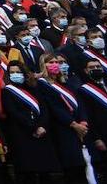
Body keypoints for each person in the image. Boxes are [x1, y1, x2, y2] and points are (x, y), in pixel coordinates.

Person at [0, 61, 60, 184]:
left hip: (41, 133)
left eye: (18, 72)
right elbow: (14, 112)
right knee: (27, 174)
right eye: (12, 72)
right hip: (23, 134)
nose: (15, 74)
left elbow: (44, 109)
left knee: (45, 172)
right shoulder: (7, 91)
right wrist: (34, 127)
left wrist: (42, 125)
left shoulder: (34, 89)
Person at [35, 53, 88, 182]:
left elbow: (79, 103)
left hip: (80, 128)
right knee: (72, 168)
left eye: (57, 62)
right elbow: (54, 107)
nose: (55, 65)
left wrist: (83, 122)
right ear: (43, 65)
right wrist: (74, 124)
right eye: (50, 62)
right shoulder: (42, 84)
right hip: (63, 128)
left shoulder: (66, 82)